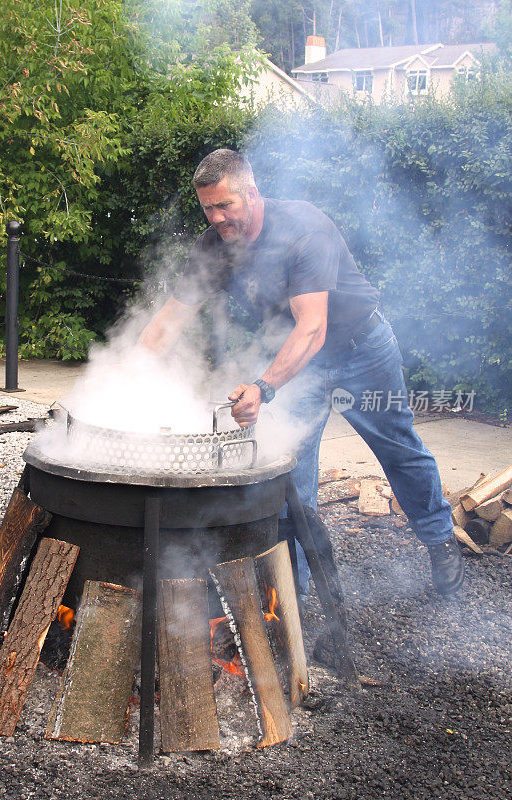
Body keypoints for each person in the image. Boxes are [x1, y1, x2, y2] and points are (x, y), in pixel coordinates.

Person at [139, 148, 464, 597]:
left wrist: (263, 386)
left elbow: (313, 327)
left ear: (251, 194)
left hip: (361, 350)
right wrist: (127, 378)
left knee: (400, 449)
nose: (216, 218)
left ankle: (439, 539)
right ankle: (293, 596)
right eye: (208, 208)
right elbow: (168, 321)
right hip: (300, 366)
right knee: (290, 474)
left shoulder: (303, 230)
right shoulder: (214, 246)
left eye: (225, 205)